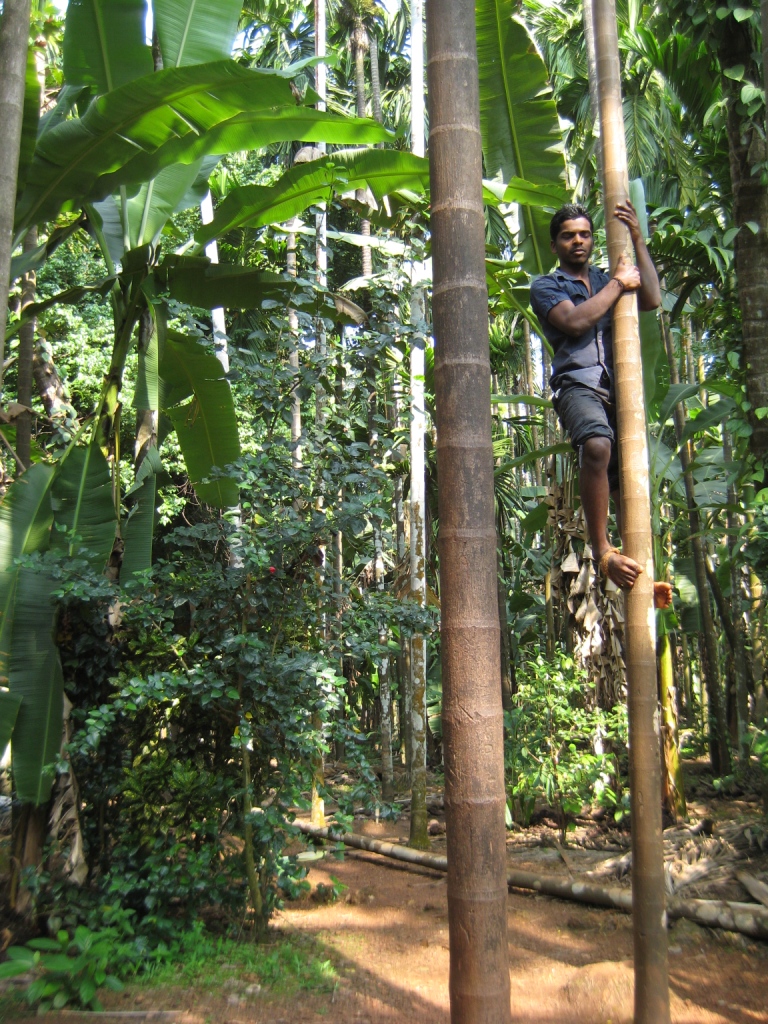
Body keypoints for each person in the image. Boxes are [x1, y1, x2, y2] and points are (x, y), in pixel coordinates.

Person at [530, 200, 672, 609]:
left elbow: (652, 298)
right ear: (555, 244)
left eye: (585, 234)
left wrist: (638, 242)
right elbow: (574, 322)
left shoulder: (607, 277)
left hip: (620, 389)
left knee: (627, 481)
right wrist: (618, 284)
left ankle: (646, 571)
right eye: (568, 235)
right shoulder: (548, 285)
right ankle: (603, 550)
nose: (579, 241)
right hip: (578, 383)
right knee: (595, 446)